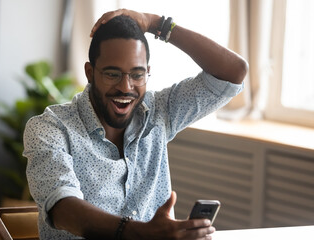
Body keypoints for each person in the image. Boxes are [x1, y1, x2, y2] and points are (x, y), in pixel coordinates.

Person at [23, 9, 248, 240]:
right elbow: (63, 208)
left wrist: (156, 24)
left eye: (137, 75)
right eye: (112, 74)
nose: (126, 87)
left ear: (147, 73)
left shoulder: (160, 111)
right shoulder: (49, 128)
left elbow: (233, 72)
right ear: (90, 73)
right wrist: (140, 233)